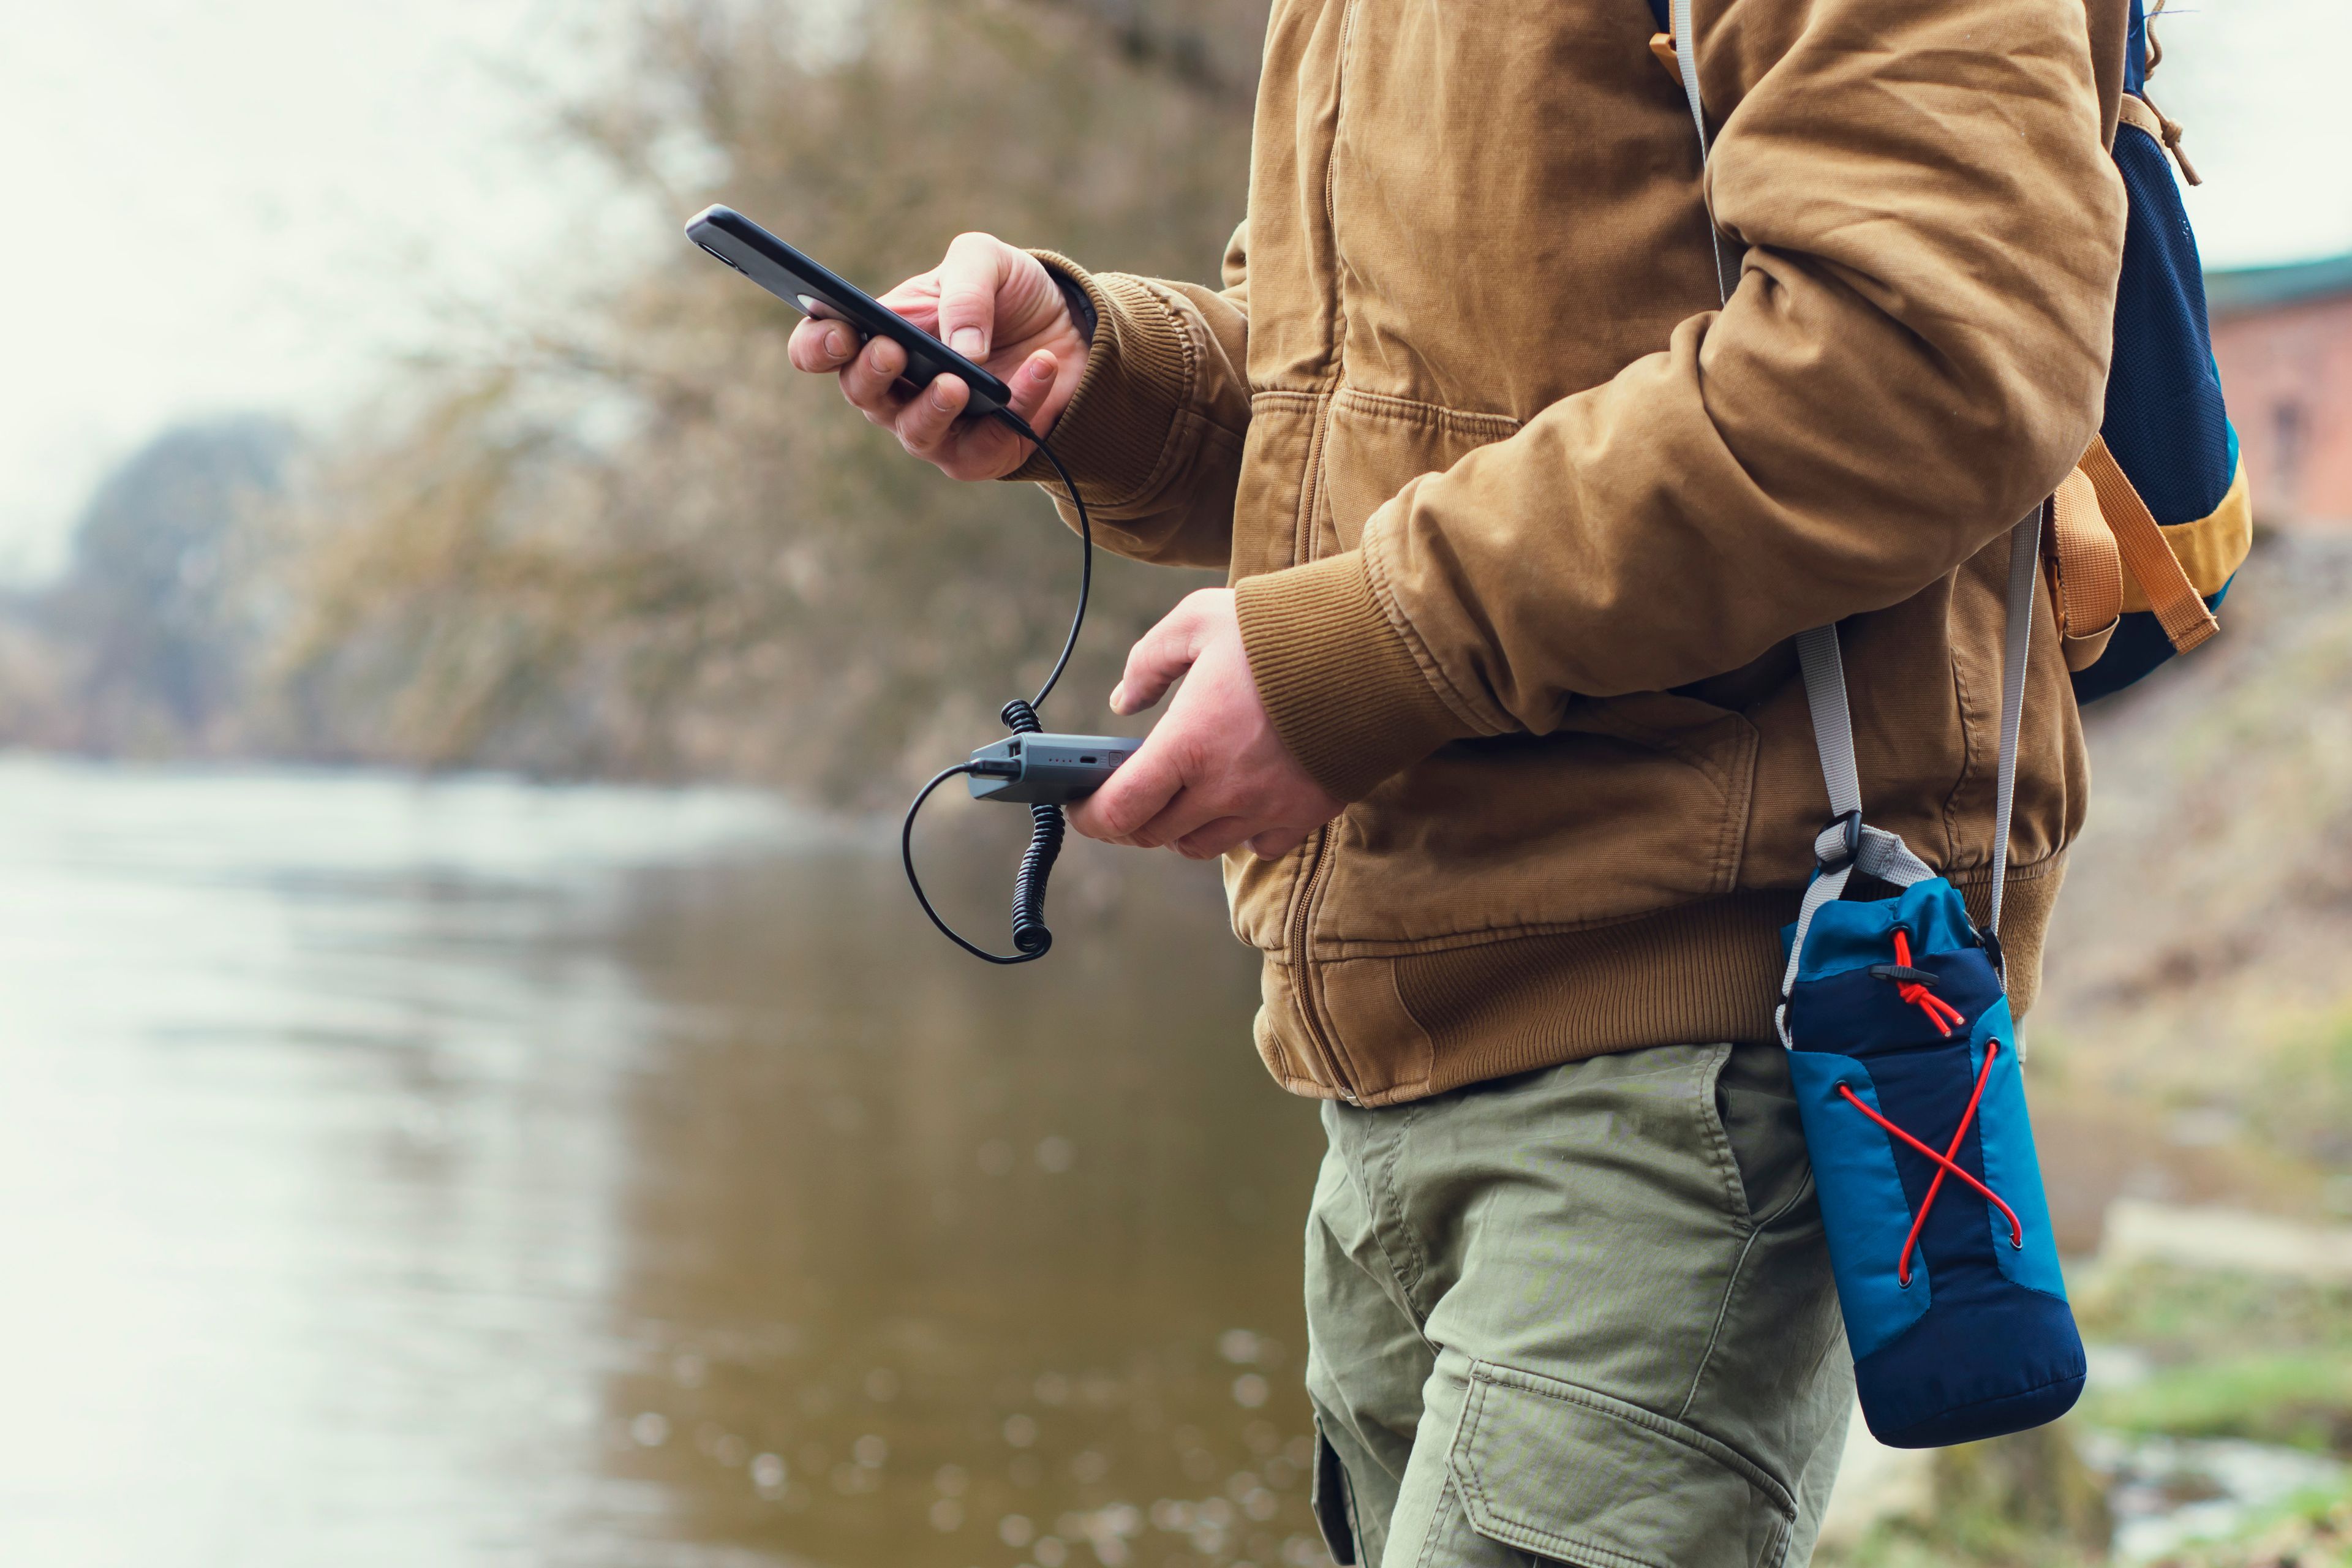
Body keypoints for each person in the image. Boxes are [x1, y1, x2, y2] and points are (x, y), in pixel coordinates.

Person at [788, 0, 2131, 1559]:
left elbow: (1930, 357)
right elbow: (1387, 417)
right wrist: (1109, 381)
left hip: (1697, 1049)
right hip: (1394, 1067)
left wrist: (1359, 653)